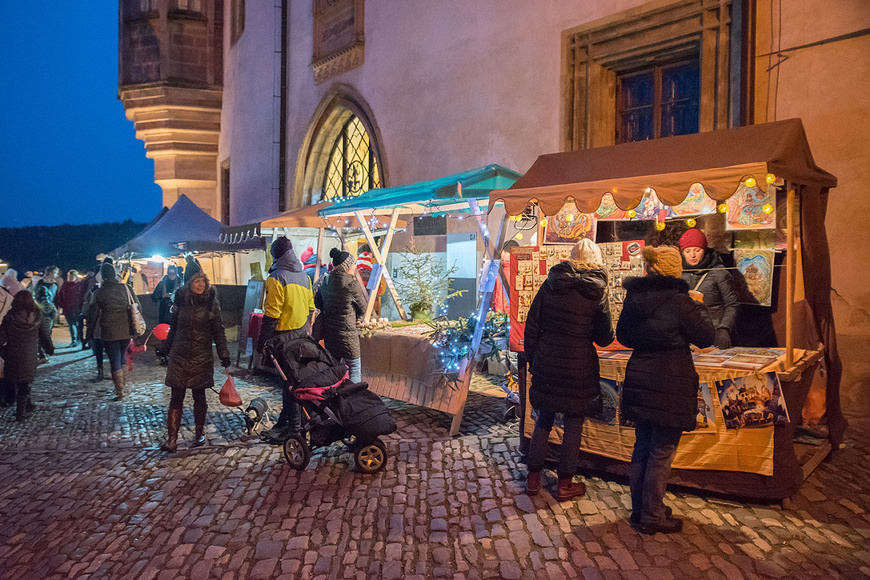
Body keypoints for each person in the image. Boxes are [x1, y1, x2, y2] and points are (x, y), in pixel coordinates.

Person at [616, 245, 715, 534]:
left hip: (641, 376)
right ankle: (651, 516)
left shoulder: (635, 295)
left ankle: (642, 509)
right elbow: (706, 336)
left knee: (643, 447)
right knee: (661, 451)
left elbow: (623, 335)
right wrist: (698, 304)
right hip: (670, 380)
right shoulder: (680, 300)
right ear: (675, 270)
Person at [523, 239, 615, 501]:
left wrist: (534, 359)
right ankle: (564, 484)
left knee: (544, 418)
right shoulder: (598, 291)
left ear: (571, 257)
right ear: (596, 260)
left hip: (548, 362)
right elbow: (605, 338)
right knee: (574, 424)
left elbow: (532, 325)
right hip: (579, 366)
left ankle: (533, 479)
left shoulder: (551, 284)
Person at [156, 269, 231, 453]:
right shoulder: (179, 301)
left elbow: (218, 331)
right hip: (179, 355)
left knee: (199, 396)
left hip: (201, 355)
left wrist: (224, 353)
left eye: (203, 281)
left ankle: (199, 434)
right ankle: (172, 440)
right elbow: (173, 329)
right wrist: (165, 349)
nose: (200, 284)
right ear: (188, 283)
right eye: (196, 281)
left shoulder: (211, 304)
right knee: (176, 398)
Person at [257, 237, 315, 443]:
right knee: (294, 381)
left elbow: (272, 314)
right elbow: (310, 308)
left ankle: (293, 427)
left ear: (275, 255)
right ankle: (287, 421)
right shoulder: (303, 276)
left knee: (289, 384)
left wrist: (262, 341)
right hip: (301, 335)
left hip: (283, 337)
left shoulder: (276, 278)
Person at [315, 248, 367, 385]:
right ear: (347, 266)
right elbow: (363, 307)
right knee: (354, 369)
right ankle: (354, 399)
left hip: (330, 334)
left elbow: (318, 303)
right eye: (353, 264)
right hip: (348, 334)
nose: (354, 266)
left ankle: (335, 400)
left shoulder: (325, 280)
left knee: (334, 369)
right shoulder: (351, 283)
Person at [679, 228, 739, 348]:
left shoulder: (719, 273)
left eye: (697, 250)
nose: (692, 255)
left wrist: (724, 329)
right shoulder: (678, 273)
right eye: (687, 251)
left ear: (705, 250)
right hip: (688, 336)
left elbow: (732, 305)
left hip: (714, 334)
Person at [90, 262, 140, 400]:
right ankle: (122, 387)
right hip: (126, 329)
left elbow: (93, 314)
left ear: (103, 276)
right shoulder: (126, 288)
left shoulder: (99, 292)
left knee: (114, 360)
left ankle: (120, 392)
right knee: (122, 356)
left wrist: (89, 334)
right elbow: (138, 307)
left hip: (109, 330)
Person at [0, 291, 54, 420]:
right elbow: (45, 335)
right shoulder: (38, 316)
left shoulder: (10, 317)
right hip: (30, 353)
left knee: (16, 379)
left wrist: (3, 352)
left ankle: (25, 406)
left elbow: (1, 338)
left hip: (13, 353)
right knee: (25, 381)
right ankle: (21, 412)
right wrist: (50, 349)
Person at [33, 266, 59, 362]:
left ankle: (44, 352)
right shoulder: (41, 283)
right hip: (42, 312)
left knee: (48, 332)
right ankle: (41, 354)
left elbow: (56, 298)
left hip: (50, 313)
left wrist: (56, 309)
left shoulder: (53, 284)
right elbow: (38, 298)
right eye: (55, 273)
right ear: (50, 273)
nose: (56, 275)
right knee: (42, 333)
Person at [55, 270, 83, 348]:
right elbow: (60, 295)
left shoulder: (79, 285)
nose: (70, 278)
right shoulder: (65, 284)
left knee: (73, 324)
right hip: (67, 308)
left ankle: (75, 340)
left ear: (75, 277)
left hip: (76, 308)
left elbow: (81, 297)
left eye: (72, 276)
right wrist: (61, 305)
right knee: (72, 323)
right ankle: (76, 339)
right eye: (69, 276)